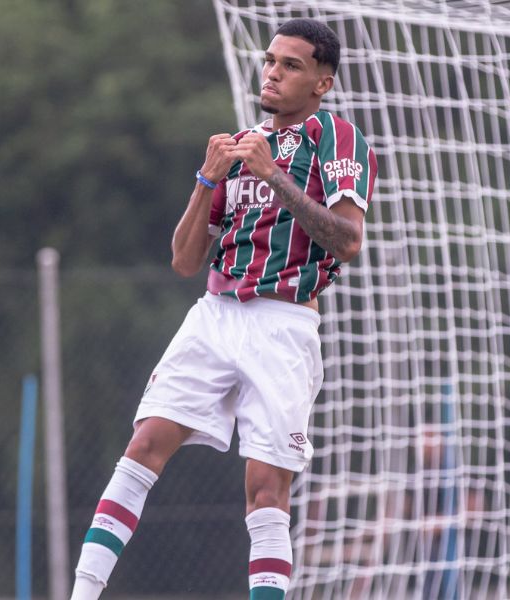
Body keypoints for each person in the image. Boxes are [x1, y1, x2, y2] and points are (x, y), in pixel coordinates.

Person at [70, 18, 377, 600]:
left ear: (322, 82)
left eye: (291, 65)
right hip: (215, 311)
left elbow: (348, 241)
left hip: (284, 324)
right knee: (142, 446)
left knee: (265, 489)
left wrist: (275, 176)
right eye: (270, 61)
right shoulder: (238, 146)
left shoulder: (336, 137)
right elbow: (184, 260)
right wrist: (206, 179)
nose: (273, 73)